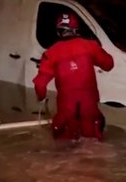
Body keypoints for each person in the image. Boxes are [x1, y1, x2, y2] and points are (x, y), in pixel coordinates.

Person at [33, 11, 115, 141]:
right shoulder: (90, 46)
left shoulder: (51, 53)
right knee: (94, 145)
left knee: (63, 149)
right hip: (90, 110)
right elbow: (109, 64)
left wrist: (41, 98)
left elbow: (40, 85)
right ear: (76, 30)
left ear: (58, 31)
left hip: (66, 111)